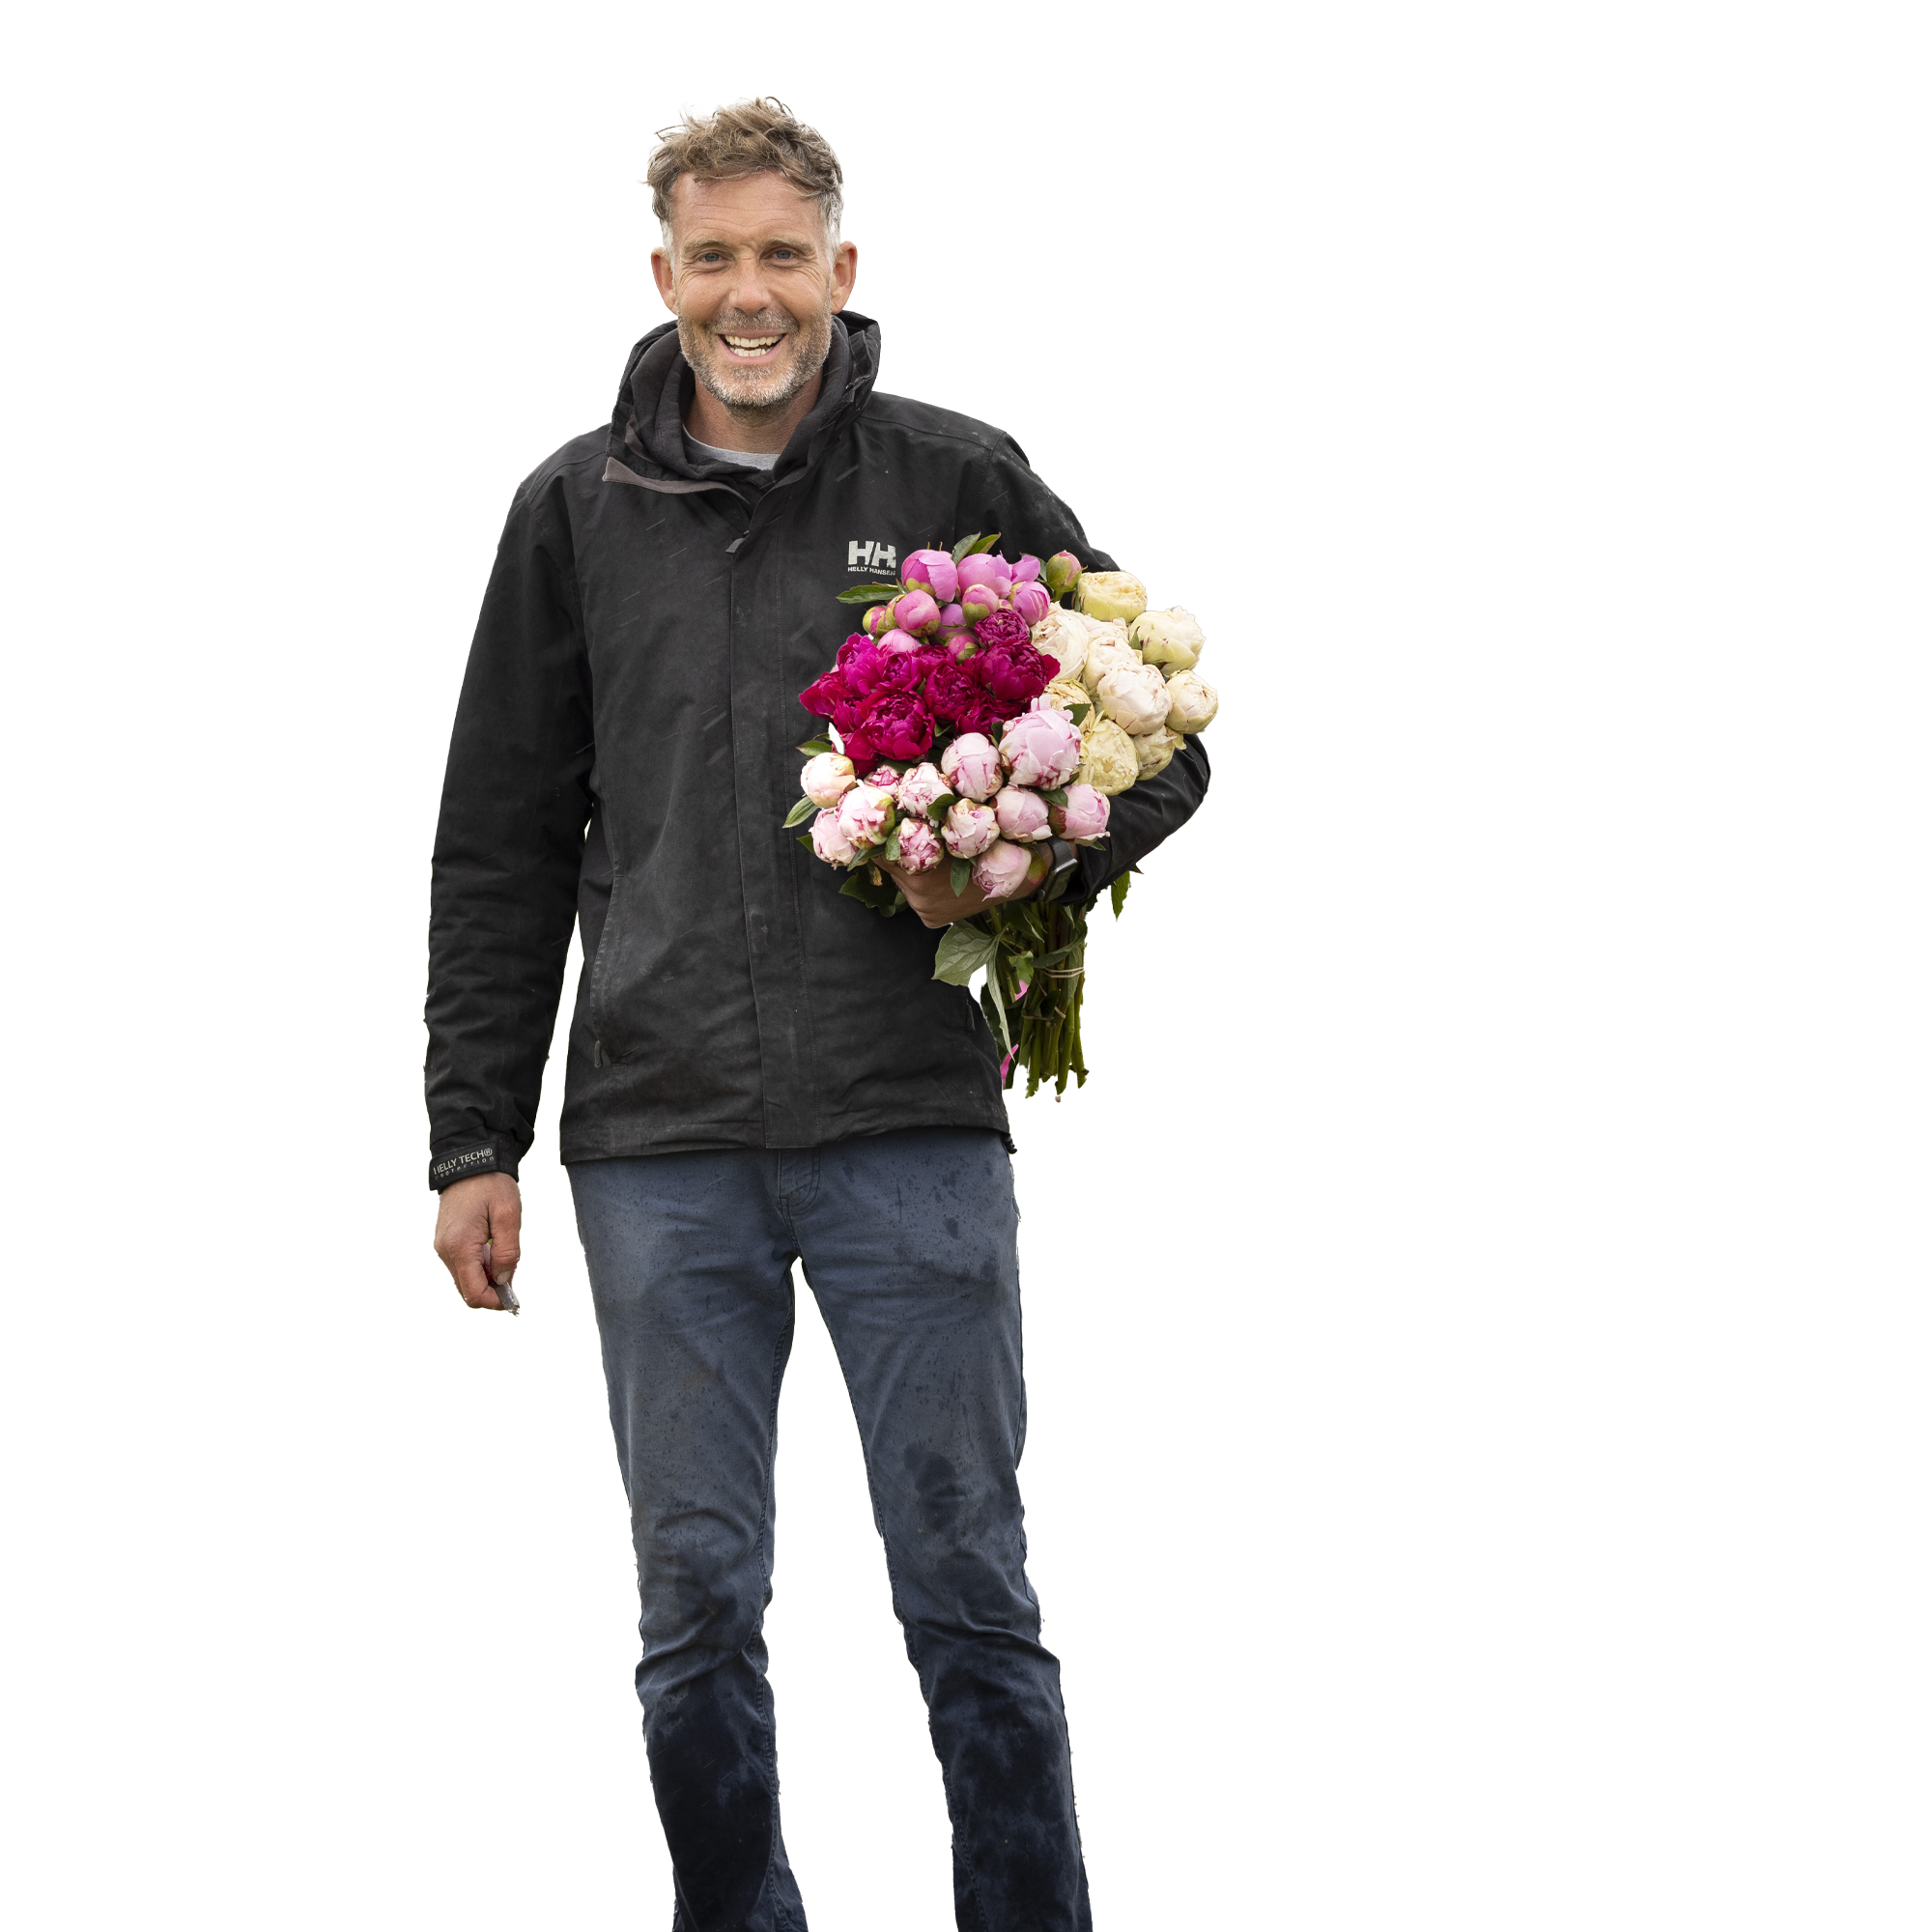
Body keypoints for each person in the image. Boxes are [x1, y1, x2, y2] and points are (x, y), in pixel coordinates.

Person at [425, 98, 1208, 1932]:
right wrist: (473, 1137)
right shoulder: (573, 512)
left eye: (783, 254)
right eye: (714, 258)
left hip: (905, 1124)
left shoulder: (951, 479)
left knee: (968, 1587)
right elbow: (499, 842)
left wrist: (1018, 861)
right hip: (658, 1140)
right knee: (695, 1607)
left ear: (842, 269)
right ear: (662, 276)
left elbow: (1160, 743)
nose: (750, 293)